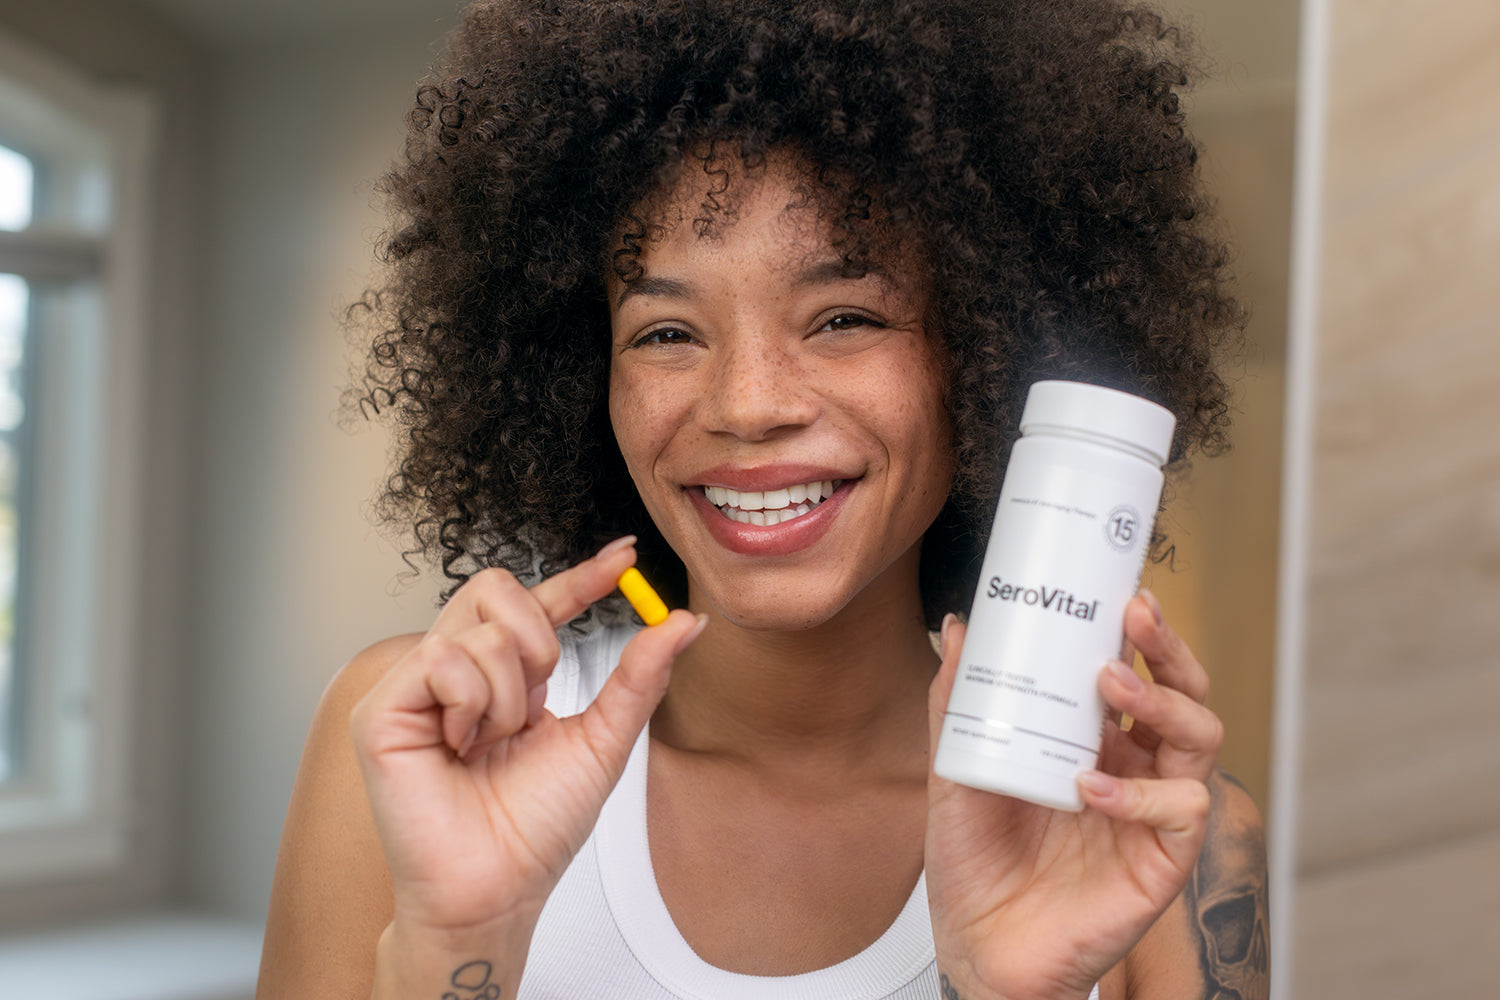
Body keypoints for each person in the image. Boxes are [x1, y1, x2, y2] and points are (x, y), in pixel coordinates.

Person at [257, 1, 1269, 998]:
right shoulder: (420, 748)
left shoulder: (1156, 840)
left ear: (984, 358)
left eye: (843, 318)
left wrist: (1008, 993)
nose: (747, 405)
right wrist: (457, 946)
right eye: (666, 333)